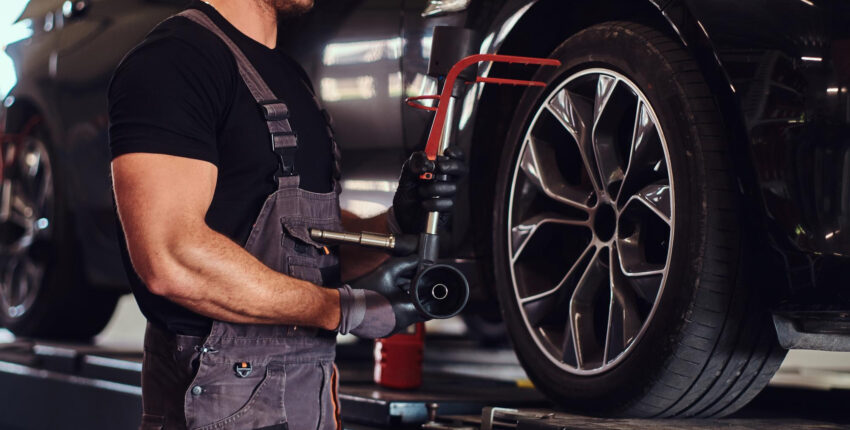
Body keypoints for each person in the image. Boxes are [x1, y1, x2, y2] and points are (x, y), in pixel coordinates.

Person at [107, 0, 465, 428]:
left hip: (305, 393)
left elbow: (307, 250)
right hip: (223, 395)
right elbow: (171, 258)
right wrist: (341, 310)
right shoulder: (175, 60)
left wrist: (394, 224)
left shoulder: (288, 76)